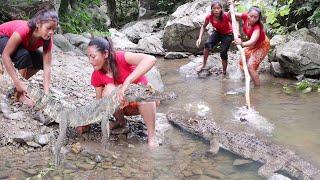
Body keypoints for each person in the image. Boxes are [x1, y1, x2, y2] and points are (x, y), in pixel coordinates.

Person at [76, 37, 157, 147]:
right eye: (89, 57)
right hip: (124, 107)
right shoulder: (96, 75)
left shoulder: (120, 57)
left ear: (105, 54)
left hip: (145, 103)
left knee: (145, 93)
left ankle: (152, 136)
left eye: (93, 57)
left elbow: (151, 59)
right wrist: (87, 123)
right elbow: (98, 102)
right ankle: (120, 122)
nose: (90, 61)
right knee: (108, 90)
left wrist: (127, 81)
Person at [0, 9, 59, 105]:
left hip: (21, 45)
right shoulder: (24, 29)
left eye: (54, 29)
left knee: (40, 61)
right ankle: (19, 93)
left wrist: (46, 93)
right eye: (48, 28)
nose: (51, 32)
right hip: (2, 36)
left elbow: (47, 66)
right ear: (38, 24)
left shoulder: (48, 39)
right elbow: (5, 55)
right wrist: (17, 82)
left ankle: (17, 85)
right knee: (24, 55)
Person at [229, 0, 270, 87]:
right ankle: (245, 76)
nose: (252, 19)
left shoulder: (257, 27)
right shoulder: (244, 16)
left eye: (255, 17)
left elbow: (253, 41)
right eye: (251, 16)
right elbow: (232, 15)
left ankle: (257, 89)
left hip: (262, 45)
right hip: (252, 44)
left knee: (251, 66)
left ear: (259, 18)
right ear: (247, 14)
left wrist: (242, 43)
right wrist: (231, 8)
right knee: (242, 59)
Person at [196, 0, 234, 75]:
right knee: (207, 44)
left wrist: (232, 5)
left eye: (218, 8)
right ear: (211, 9)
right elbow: (203, 26)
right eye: (214, 8)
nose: (216, 10)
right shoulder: (209, 16)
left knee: (223, 53)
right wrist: (199, 38)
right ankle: (204, 64)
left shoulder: (226, 15)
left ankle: (224, 72)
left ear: (221, 9)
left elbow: (233, 16)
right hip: (218, 32)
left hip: (228, 34)